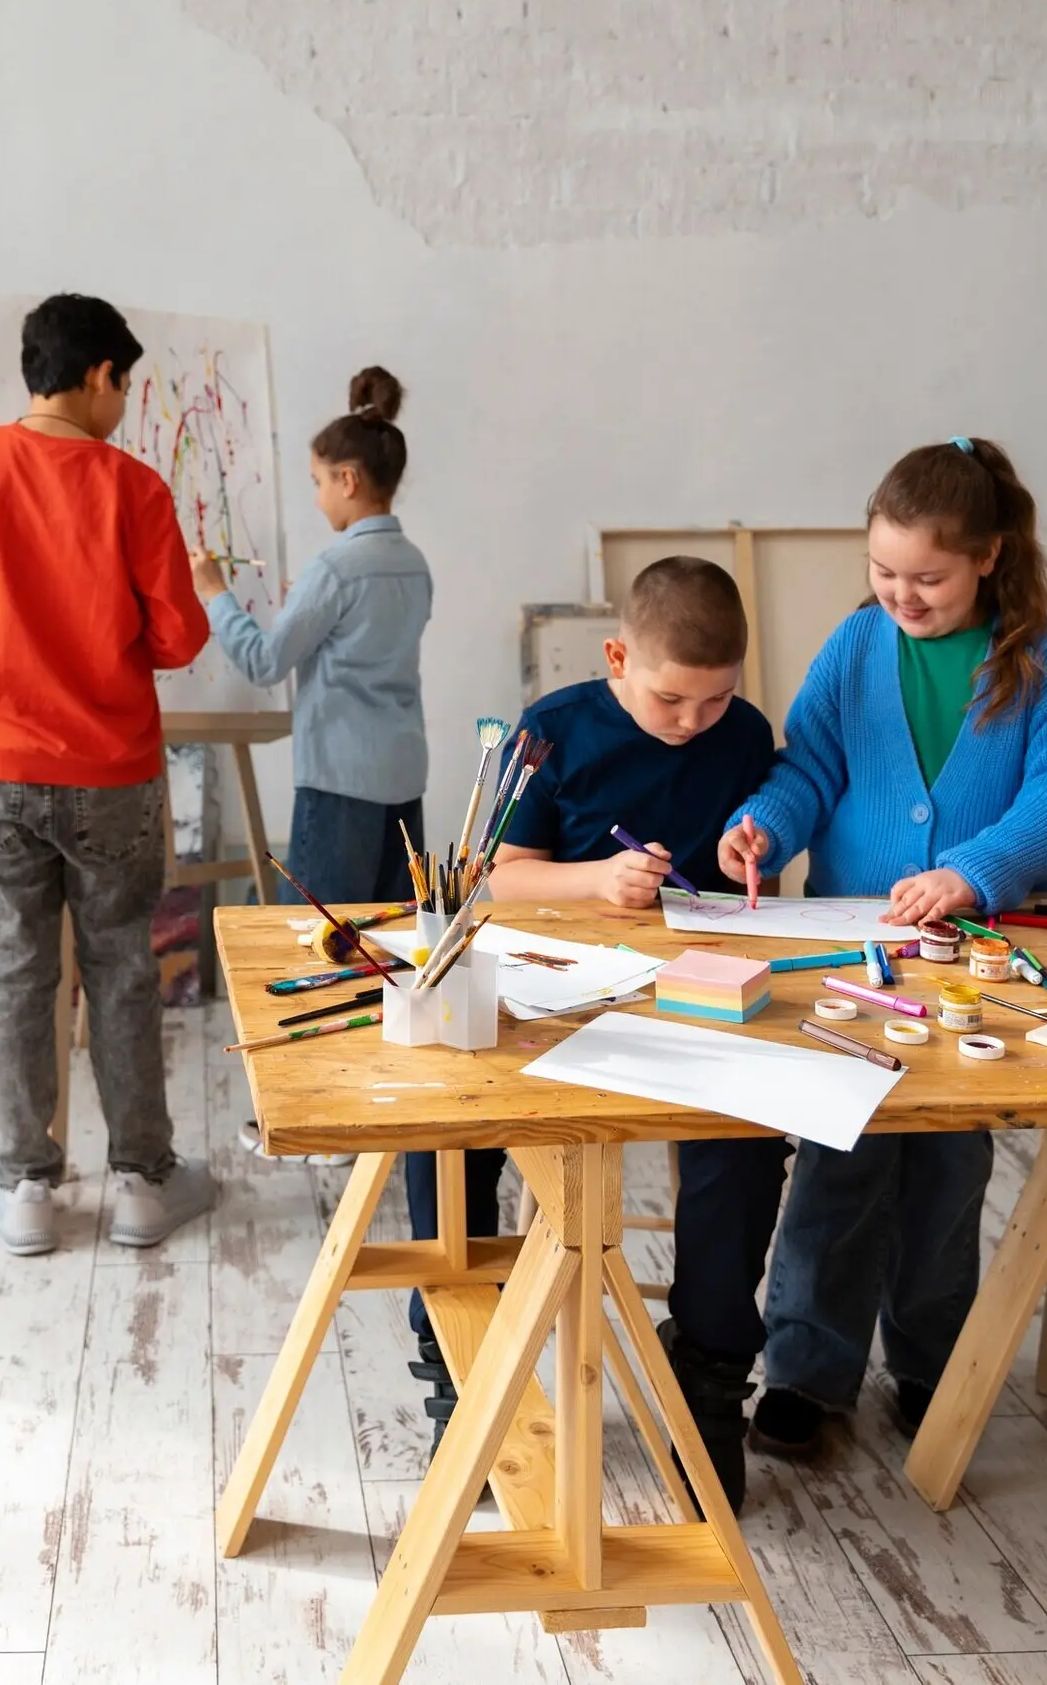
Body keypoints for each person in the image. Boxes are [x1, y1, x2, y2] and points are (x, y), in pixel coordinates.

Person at [719, 437, 1047, 1459]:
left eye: (925, 576)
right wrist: (766, 821)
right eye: (882, 571)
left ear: (987, 555)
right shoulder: (857, 646)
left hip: (976, 952)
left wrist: (976, 869)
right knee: (838, 1159)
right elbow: (808, 763)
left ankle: (935, 1362)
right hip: (856, 947)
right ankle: (807, 1369)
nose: (901, 592)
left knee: (947, 1163)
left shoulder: (1045, 658)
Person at [403, 557, 786, 1506]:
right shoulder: (553, 731)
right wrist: (594, 882)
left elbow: (758, 878)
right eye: (671, 699)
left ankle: (706, 1382)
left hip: (686, 982)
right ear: (618, 654)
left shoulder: (746, 735)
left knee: (743, 1141)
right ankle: (458, 1365)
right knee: (449, 1123)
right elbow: (492, 875)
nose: (694, 721)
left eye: (716, 700)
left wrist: (751, 862)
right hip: (550, 981)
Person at [0, 292, 218, 1256]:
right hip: (111, 772)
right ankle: (141, 1178)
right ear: (99, 376)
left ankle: (25, 1189)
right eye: (122, 385)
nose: (123, 404)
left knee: (13, 970)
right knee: (121, 965)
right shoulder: (132, 489)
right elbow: (178, 637)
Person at [191, 367, 432, 1163]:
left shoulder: (338, 568)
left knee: (321, 947)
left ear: (350, 479)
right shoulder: (412, 565)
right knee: (391, 949)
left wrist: (214, 592)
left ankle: (321, 1116)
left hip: (337, 779)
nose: (318, 498)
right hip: (402, 774)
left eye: (320, 483)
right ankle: (387, 1102)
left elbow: (263, 658)